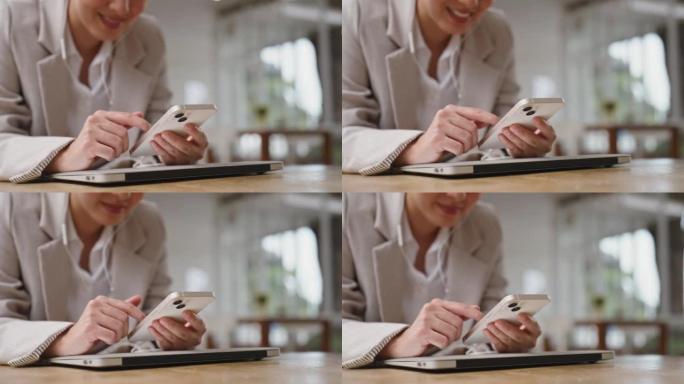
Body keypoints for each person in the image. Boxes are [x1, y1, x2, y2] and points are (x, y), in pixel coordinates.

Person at [0, 0, 209, 183]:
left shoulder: (148, 35)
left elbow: (150, 139)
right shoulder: (8, 20)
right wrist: (65, 156)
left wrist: (170, 153)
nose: (122, 8)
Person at [342, 0, 557, 175]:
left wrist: (519, 145)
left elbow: (500, 125)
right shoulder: (358, 13)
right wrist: (413, 149)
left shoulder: (497, 29)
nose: (471, 3)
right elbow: (345, 138)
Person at [0, 193, 207, 367]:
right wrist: (63, 342)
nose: (123, 195)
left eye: (134, 183)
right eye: (110, 179)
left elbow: (150, 318)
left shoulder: (148, 220)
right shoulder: (10, 207)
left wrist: (168, 339)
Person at [342, 193, 542, 368]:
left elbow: (486, 318)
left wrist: (504, 341)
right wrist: (396, 344)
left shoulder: (485, 222)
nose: (458, 195)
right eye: (444, 178)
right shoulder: (351, 208)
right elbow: (340, 328)